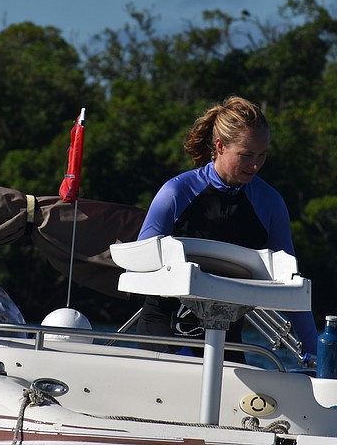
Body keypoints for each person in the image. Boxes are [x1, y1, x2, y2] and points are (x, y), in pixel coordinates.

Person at [136, 95, 318, 361]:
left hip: (225, 338)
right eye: (246, 155)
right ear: (220, 146)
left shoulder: (270, 204)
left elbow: (290, 284)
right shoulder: (176, 192)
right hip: (164, 335)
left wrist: (317, 354)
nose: (255, 165)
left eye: (262, 155)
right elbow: (138, 266)